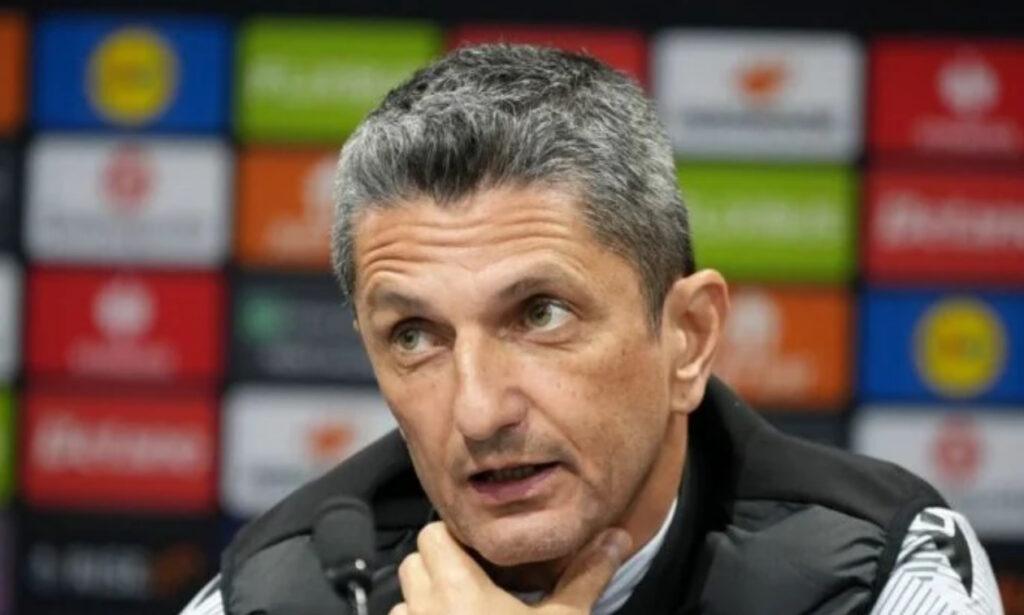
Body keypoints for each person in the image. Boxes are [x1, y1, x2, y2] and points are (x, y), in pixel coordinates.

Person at [183, 44, 1003, 615]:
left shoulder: (877, 575)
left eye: (540, 314)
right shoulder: (274, 594)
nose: (478, 412)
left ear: (687, 337)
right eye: (415, 336)